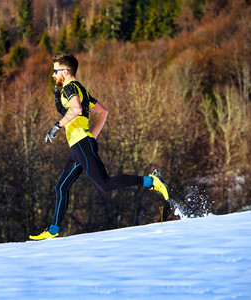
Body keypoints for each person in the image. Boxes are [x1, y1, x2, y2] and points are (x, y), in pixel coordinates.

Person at [29, 53, 169, 240]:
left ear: (66, 71)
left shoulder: (70, 88)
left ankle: (151, 181)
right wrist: (91, 137)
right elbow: (103, 112)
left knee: (105, 184)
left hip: (81, 144)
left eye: (56, 71)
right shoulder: (80, 89)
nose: (53, 75)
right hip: (79, 146)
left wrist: (56, 126)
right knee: (61, 187)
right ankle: (53, 229)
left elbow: (77, 109)